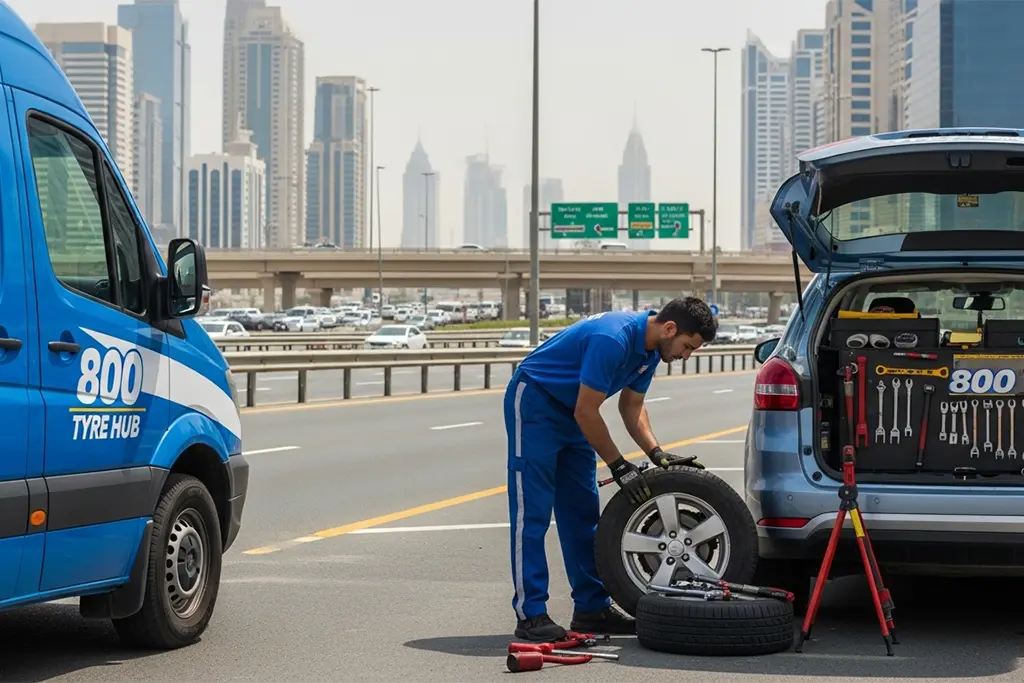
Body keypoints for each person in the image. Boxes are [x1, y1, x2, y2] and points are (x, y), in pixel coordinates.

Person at [503, 297, 717, 642]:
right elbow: (588, 411)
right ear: (670, 328)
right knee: (534, 513)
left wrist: (657, 452)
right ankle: (531, 615)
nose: (685, 355)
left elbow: (631, 407)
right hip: (537, 403)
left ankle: (591, 609)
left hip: (575, 413)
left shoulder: (650, 352)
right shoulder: (612, 338)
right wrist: (619, 466)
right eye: (687, 347)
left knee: (583, 514)